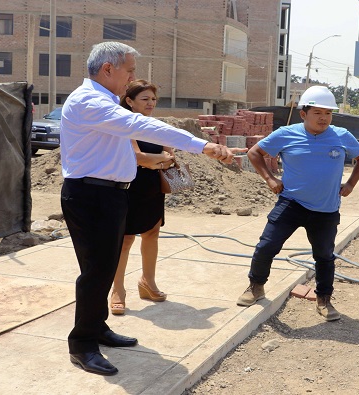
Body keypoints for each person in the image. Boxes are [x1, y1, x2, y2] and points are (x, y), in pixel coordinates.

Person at [60, 41, 241, 376]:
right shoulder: (89, 102)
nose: (133, 77)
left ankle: (97, 328)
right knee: (96, 272)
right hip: (90, 196)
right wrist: (202, 145)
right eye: (129, 70)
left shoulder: (106, 102)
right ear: (108, 69)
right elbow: (145, 127)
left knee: (105, 265)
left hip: (110, 195)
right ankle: (82, 344)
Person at [236, 85, 359, 321]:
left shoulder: (341, 135)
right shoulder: (286, 134)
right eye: (317, 113)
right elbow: (254, 153)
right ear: (303, 114)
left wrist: (350, 184)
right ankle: (256, 287)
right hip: (291, 204)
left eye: (328, 113)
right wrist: (269, 178)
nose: (323, 118)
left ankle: (324, 300)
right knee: (266, 246)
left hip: (326, 209)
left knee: (324, 256)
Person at [109, 79, 172, 316]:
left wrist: (158, 159)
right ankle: (117, 291)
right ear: (130, 101)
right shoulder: (125, 125)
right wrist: (158, 159)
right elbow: (138, 156)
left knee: (152, 233)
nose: (151, 103)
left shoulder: (156, 125)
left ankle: (148, 282)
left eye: (153, 99)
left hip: (152, 188)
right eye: (145, 99)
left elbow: (170, 154)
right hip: (128, 186)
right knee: (125, 240)